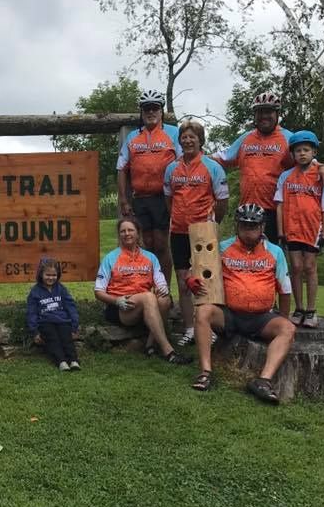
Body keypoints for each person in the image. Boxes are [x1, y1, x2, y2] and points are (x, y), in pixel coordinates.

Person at [186, 204, 295, 403]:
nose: (248, 231)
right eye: (244, 226)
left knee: (287, 328)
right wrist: (192, 281)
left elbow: (285, 290)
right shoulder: (222, 247)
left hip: (261, 317)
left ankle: (263, 380)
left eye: (253, 227)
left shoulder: (275, 252)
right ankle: (205, 372)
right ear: (237, 226)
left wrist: (283, 316)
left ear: (262, 228)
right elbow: (196, 268)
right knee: (202, 313)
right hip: (229, 314)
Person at [215, 92, 324, 244]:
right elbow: (221, 157)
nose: (264, 116)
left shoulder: (288, 137)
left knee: (273, 256)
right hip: (247, 207)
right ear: (255, 115)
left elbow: (305, 157)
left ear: (277, 114)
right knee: (246, 255)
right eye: (260, 112)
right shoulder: (246, 138)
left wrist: (321, 166)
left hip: (276, 209)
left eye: (269, 111)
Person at [162, 119, 229, 346]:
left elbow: (222, 202)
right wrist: (179, 217)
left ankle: (208, 327)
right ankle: (189, 328)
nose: (188, 140)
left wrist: (211, 224)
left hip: (204, 231)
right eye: (184, 137)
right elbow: (169, 200)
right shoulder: (172, 168)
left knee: (205, 281)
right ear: (180, 141)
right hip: (179, 231)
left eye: (192, 137)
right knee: (183, 281)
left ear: (200, 140)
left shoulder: (213, 167)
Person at [94, 217, 192, 366]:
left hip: (146, 306)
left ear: (138, 233)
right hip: (121, 307)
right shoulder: (111, 258)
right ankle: (168, 351)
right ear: (119, 235)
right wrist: (117, 301)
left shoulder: (150, 257)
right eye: (123, 231)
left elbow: (161, 283)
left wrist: (162, 289)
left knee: (164, 299)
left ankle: (150, 344)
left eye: (130, 230)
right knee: (148, 297)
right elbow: (98, 291)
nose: (127, 234)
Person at [117, 89, 182, 285]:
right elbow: (121, 169)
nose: (150, 112)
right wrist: (123, 200)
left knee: (162, 244)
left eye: (154, 108)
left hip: (163, 197)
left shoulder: (174, 133)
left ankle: (165, 291)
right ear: (141, 112)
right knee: (145, 244)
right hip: (140, 198)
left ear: (161, 111)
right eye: (146, 109)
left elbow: (182, 164)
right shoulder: (133, 137)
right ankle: (147, 288)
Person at [274, 131, 324, 328]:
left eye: (306, 150)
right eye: (298, 150)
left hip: (312, 228)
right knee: (296, 268)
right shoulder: (285, 176)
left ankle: (311, 309)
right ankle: (298, 308)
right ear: (293, 154)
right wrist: (281, 231)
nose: (302, 154)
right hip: (292, 228)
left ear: (314, 152)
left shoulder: (320, 175)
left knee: (310, 267)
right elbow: (280, 205)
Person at [26, 257, 81, 372]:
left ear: (58, 275)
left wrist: (74, 325)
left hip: (63, 320)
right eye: (48, 275)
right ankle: (61, 361)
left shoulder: (61, 289)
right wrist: (35, 331)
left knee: (67, 338)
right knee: (53, 340)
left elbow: (70, 306)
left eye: (54, 275)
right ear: (41, 274)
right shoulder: (35, 291)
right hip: (45, 322)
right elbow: (32, 312)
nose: (51, 278)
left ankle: (73, 360)